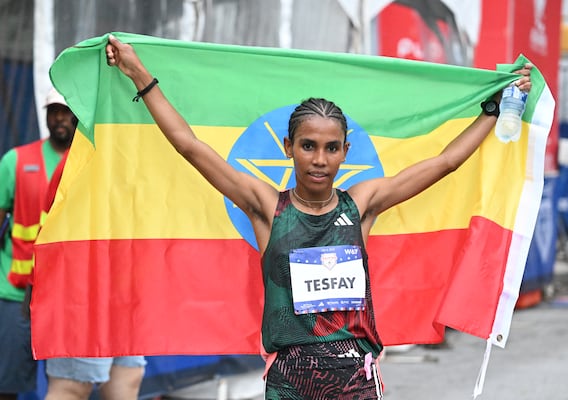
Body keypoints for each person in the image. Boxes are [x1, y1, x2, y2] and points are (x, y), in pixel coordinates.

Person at [105, 34, 532, 399]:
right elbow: (189, 146)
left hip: (356, 379)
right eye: (308, 145)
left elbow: (444, 163)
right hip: (291, 380)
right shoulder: (266, 207)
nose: (320, 160)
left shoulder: (361, 204)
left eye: (331, 148)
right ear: (288, 146)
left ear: (346, 152)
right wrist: (140, 75)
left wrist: (492, 112)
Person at [29, 152, 147, 400]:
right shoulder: (81, 159)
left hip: (128, 289)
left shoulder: (138, 152)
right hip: (84, 291)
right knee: (72, 386)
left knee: (128, 377)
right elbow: (52, 232)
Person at [0, 87, 76, 400]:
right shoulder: (16, 160)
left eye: (66, 111)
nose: (59, 118)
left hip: (70, 295)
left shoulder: (94, 163)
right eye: (53, 111)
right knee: (7, 382)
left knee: (74, 386)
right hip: (16, 292)